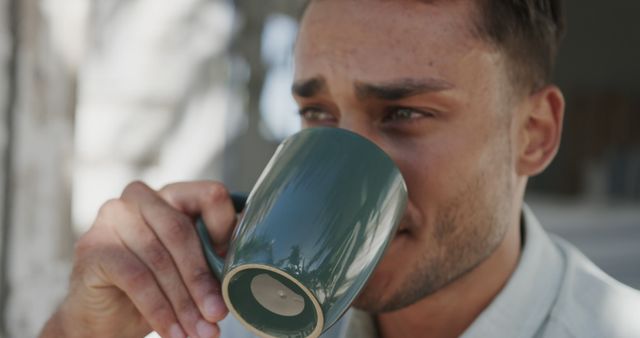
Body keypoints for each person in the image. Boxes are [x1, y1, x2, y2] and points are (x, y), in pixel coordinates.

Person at [40, 0, 640, 337]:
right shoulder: (231, 318)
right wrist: (81, 331)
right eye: (317, 113)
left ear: (534, 135)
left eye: (404, 111)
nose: (345, 164)